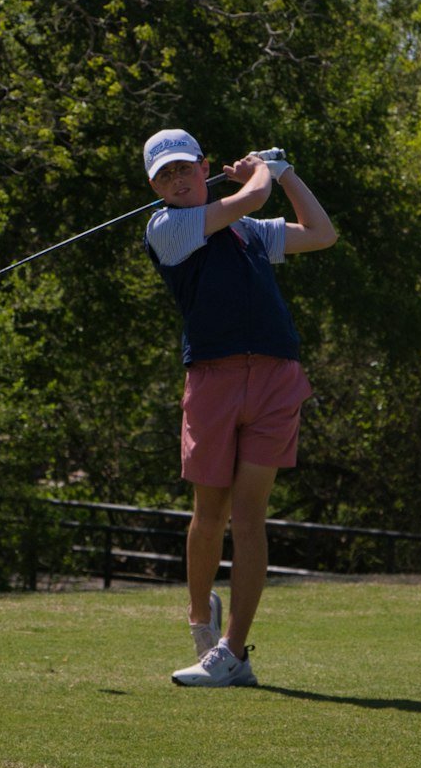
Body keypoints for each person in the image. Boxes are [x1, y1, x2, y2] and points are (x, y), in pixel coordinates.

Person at [143, 128, 337, 687]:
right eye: (165, 175)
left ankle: (233, 653)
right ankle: (200, 620)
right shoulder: (166, 227)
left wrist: (287, 173)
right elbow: (250, 198)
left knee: (250, 516)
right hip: (213, 378)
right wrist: (260, 174)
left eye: (186, 168)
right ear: (154, 187)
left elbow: (321, 234)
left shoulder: (249, 233)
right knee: (210, 514)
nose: (178, 180)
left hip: (276, 376)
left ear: (205, 168)